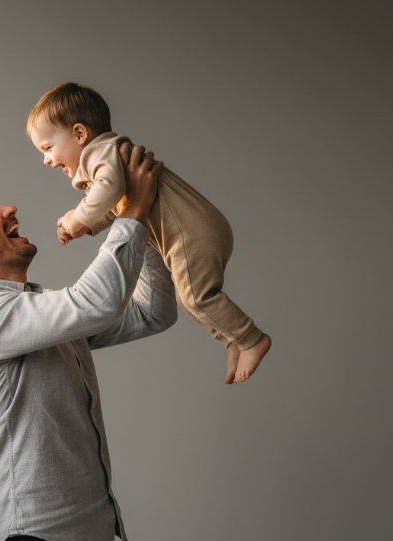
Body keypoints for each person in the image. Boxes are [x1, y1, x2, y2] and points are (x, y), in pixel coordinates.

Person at [0, 144, 177, 541]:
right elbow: (94, 303)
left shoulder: (37, 310)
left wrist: (137, 224)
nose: (10, 209)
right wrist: (129, 211)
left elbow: (153, 312)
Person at [28, 82, 272, 384]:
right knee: (190, 298)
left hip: (191, 233)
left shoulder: (100, 153)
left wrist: (77, 217)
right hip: (192, 231)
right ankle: (232, 339)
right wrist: (87, 227)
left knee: (196, 297)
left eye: (48, 148)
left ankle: (251, 339)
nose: (47, 160)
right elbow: (118, 206)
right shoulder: (108, 160)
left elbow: (110, 190)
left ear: (79, 134)